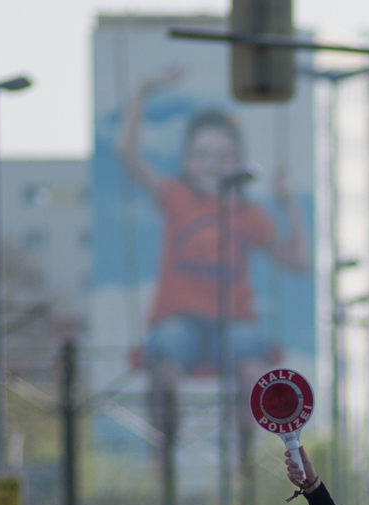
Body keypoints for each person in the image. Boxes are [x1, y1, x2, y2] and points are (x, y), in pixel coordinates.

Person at [119, 66, 310, 387]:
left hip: (234, 321)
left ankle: (246, 436)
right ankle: (166, 434)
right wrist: (142, 92)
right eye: (202, 155)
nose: (212, 165)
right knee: (165, 365)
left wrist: (289, 204)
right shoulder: (177, 198)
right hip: (179, 319)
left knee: (252, 371)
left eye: (223, 156)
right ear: (187, 162)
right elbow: (127, 152)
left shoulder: (248, 213)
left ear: (237, 162)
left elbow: (299, 262)